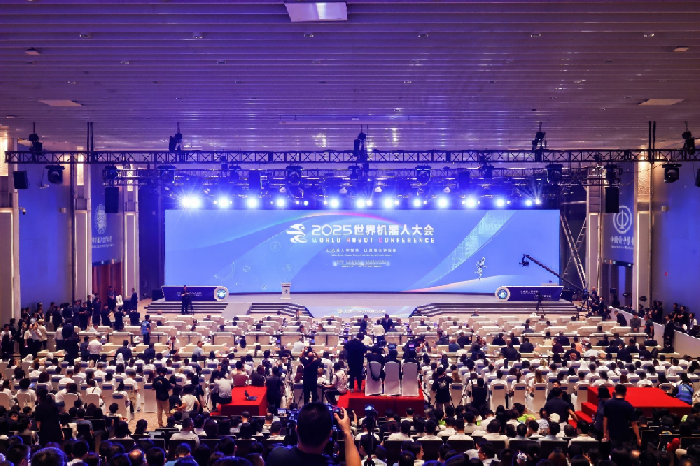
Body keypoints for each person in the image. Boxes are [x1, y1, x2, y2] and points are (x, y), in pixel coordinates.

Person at [266, 403, 360, 466]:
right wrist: (347, 432)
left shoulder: (276, 457)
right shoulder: (329, 464)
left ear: (296, 430)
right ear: (329, 435)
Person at [603, 384, 641, 448]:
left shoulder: (607, 403)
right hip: (624, 435)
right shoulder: (628, 406)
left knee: (614, 451)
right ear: (625, 393)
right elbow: (634, 423)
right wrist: (638, 437)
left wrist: (605, 432)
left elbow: (605, 419)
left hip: (612, 434)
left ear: (615, 391)